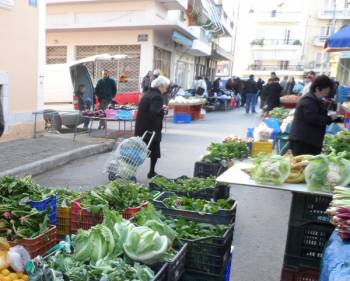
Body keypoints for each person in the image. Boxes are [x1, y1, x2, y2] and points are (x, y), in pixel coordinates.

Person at [289, 75, 338, 156]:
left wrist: (336, 118)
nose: (326, 94)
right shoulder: (308, 100)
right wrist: (329, 119)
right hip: (303, 142)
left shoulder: (314, 99)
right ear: (317, 89)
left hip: (308, 140)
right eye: (325, 91)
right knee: (301, 166)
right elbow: (312, 118)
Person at [135, 75, 170, 179]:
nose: (166, 89)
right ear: (161, 86)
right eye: (166, 86)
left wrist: (160, 109)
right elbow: (154, 111)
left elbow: (151, 108)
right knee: (153, 151)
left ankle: (134, 169)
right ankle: (151, 172)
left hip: (141, 127)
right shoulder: (157, 96)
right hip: (151, 129)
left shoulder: (147, 94)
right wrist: (163, 110)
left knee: (138, 150)